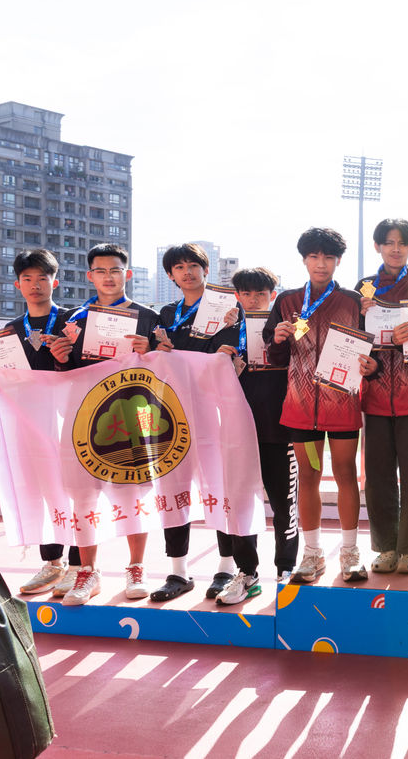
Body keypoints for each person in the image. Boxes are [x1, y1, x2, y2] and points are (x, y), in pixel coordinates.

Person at [0, 250, 81, 595]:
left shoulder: (73, 322)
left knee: (76, 491)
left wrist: (65, 361)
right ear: (18, 285)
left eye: (42, 278)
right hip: (31, 423)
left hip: (70, 419)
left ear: (55, 282)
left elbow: (87, 369)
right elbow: (11, 374)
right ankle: (52, 563)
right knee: (42, 488)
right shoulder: (12, 330)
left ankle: (79, 565)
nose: (35, 285)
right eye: (28, 279)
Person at [57, 243, 160, 605]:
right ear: (90, 276)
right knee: (84, 493)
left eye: (115, 270)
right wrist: (60, 356)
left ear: (127, 273)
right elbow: (67, 370)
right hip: (86, 414)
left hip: (136, 413)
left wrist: (153, 350)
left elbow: (168, 365)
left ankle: (136, 567)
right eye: (100, 271)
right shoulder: (74, 319)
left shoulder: (149, 317)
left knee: (134, 492)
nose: (108, 277)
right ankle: (88, 572)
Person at [265, 228, 367, 584]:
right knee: (308, 477)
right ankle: (312, 553)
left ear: (338, 261)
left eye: (328, 257)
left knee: (345, 475)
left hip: (343, 406)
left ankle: (350, 552)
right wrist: (278, 340)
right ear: (304, 260)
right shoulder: (287, 300)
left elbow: (370, 350)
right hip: (300, 407)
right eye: (314, 257)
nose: (321, 263)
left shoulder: (354, 301)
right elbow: (275, 355)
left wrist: (372, 365)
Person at [149, 243, 246, 602]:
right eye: (179, 267)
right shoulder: (166, 312)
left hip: (214, 408)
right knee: (172, 487)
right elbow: (161, 358)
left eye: (193, 265)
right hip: (173, 411)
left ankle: (225, 567)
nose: (187, 272)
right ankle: (178, 572)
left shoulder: (227, 307)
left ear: (206, 269)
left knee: (220, 486)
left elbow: (226, 354)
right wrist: (160, 351)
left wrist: (196, 353)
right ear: (170, 275)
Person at [216, 266, 300, 604]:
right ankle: (247, 572)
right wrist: (220, 358)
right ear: (237, 296)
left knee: (284, 505)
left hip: (281, 429)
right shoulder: (225, 330)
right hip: (238, 431)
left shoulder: (289, 328)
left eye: (261, 294)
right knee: (240, 504)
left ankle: (286, 570)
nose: (253, 299)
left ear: (272, 296)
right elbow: (206, 377)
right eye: (247, 294)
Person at [356, 219, 408, 575]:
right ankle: (386, 546)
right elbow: (353, 340)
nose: (395, 249)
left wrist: (406, 342)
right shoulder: (363, 289)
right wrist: (369, 363)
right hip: (375, 397)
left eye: (402, 243)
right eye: (388, 242)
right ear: (378, 247)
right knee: (377, 477)